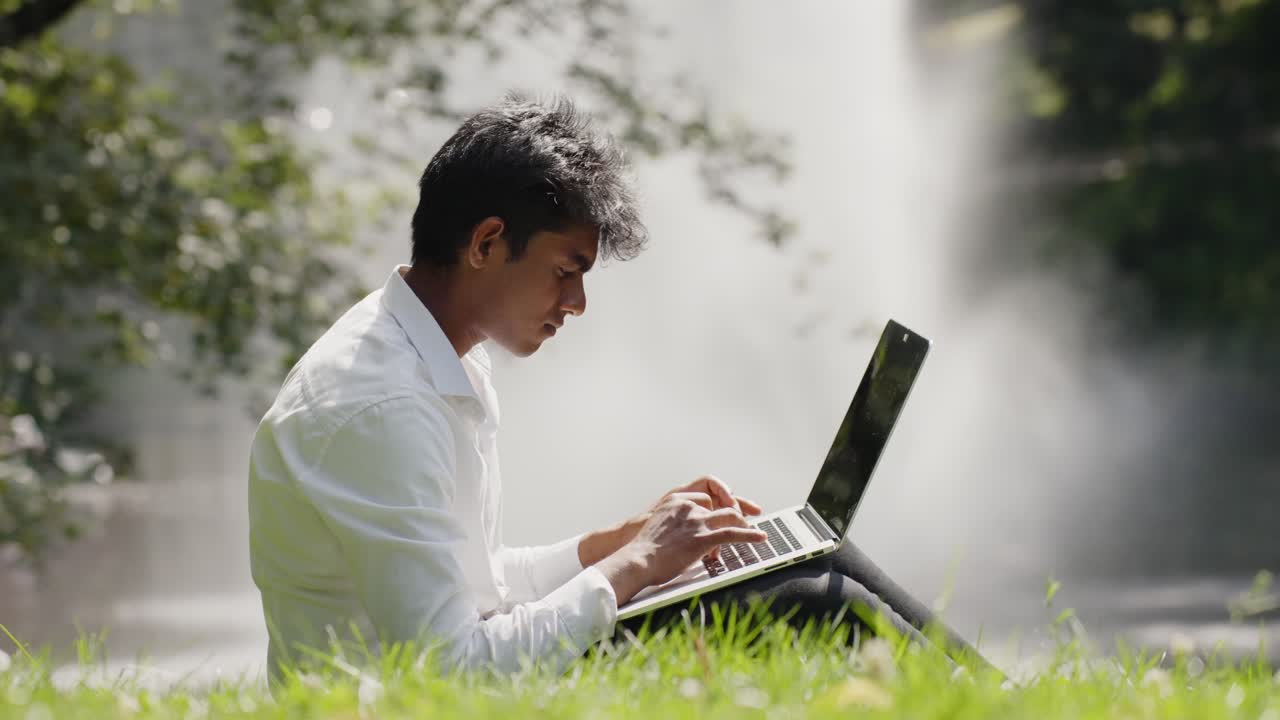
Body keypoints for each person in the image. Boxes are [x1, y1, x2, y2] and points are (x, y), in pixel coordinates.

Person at [247, 92, 985, 687]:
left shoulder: (435, 355)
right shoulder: (382, 404)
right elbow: (450, 672)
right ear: (484, 244)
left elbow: (473, 579)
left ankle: (1019, 704)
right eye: (566, 271)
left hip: (449, 682)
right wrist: (634, 568)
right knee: (810, 602)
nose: (575, 303)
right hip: (409, 706)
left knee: (819, 560)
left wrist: (631, 538)